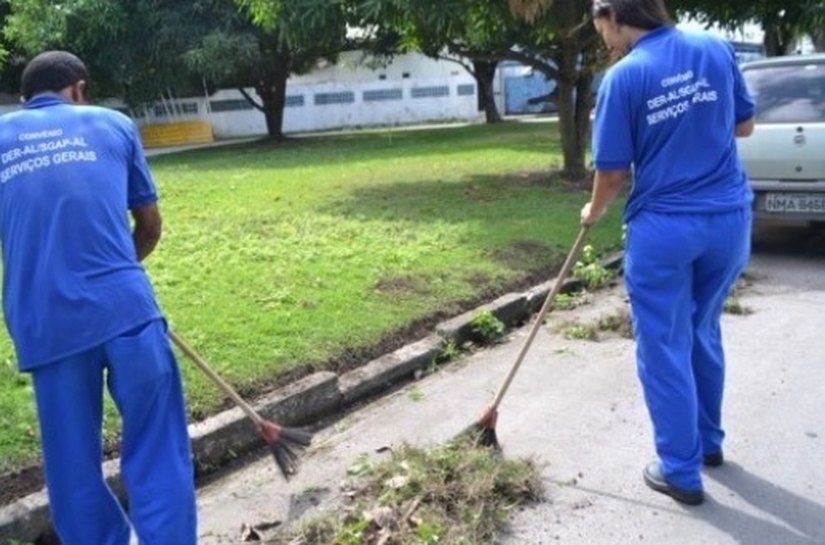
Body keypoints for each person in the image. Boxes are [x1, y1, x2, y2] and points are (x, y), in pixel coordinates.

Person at [0, 51, 197, 543]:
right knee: (158, 451)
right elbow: (150, 227)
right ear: (80, 89)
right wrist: (112, 278)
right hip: (129, 312)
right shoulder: (115, 124)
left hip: (48, 326)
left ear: (25, 100)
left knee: (72, 470)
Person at [581, 0, 755, 506]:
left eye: (603, 32)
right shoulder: (714, 48)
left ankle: (680, 469)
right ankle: (707, 444)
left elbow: (612, 173)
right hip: (728, 221)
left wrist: (593, 212)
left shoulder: (624, 77)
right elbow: (744, 126)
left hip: (666, 229)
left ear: (614, 17)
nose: (606, 43)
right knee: (702, 328)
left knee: (663, 343)